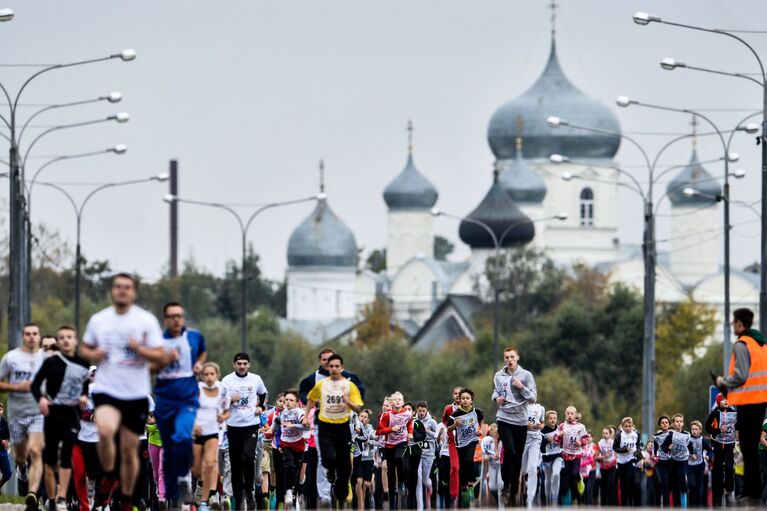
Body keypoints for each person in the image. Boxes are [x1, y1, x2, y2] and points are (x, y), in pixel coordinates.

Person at [80, 273, 167, 511]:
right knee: (106, 431)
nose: (122, 291)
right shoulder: (99, 320)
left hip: (136, 393)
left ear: (134, 292)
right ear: (112, 290)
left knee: (130, 453)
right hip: (107, 389)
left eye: (127, 287)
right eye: (118, 286)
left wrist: (140, 349)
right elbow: (85, 348)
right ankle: (108, 474)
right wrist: (93, 354)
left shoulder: (145, 320)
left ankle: (126, 499)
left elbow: (160, 355)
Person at [30, 325, 90, 511]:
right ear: (58, 341)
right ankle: (52, 498)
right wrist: (40, 399)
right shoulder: (51, 363)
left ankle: (62, 498)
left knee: (66, 453)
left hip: (71, 414)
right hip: (52, 412)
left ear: (75, 340)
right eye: (62, 337)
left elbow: (88, 387)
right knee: (50, 459)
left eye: (69, 337)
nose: (66, 340)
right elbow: (35, 385)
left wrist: (84, 396)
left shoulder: (83, 364)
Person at [153, 302, 207, 507]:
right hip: (165, 401)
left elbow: (201, 351)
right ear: (166, 319)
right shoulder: (157, 342)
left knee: (183, 437)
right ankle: (172, 499)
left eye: (179, 315)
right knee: (168, 450)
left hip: (187, 399)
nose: (176, 319)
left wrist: (199, 363)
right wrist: (164, 361)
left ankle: (184, 478)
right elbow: (148, 368)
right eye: (172, 316)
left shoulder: (194, 337)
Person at [298, 348, 365, 507]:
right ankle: (325, 495)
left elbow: (359, 401)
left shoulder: (349, 380)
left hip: (343, 424)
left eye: (334, 363)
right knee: (324, 459)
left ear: (340, 365)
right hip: (323, 423)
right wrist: (307, 415)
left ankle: (341, 488)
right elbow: (306, 395)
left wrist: (349, 401)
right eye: (326, 361)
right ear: (321, 362)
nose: (330, 365)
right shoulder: (317, 380)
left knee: (343, 462)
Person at [715, 307, 767, 503]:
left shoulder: (742, 344)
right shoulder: (761, 344)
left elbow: (741, 375)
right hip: (761, 400)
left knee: (747, 446)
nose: (732, 325)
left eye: (734, 321)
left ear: (740, 323)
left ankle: (751, 491)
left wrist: (722, 382)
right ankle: (752, 490)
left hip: (748, 400)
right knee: (751, 446)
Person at [0, 322, 45, 510]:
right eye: (28, 334)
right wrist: (17, 387)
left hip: (37, 413)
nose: (32, 337)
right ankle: (22, 470)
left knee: (35, 452)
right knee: (20, 457)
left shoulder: (46, 359)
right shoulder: (11, 358)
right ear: (23, 336)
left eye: (35, 333)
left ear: (39, 336)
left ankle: (32, 493)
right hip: (17, 413)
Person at [222, 352, 268, 511]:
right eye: (239, 363)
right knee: (235, 463)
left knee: (248, 456)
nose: (242, 366)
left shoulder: (255, 379)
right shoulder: (227, 380)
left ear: (249, 364)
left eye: (244, 363)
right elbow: (220, 401)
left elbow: (263, 393)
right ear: (234, 364)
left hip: (251, 424)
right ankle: (238, 495)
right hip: (233, 426)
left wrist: (261, 407)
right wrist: (230, 400)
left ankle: (249, 492)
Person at [491, 346, 536, 506]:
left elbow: (533, 398)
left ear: (517, 357)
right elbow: (495, 393)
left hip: (521, 421)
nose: (509, 360)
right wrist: (496, 399)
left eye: (512, 357)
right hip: (503, 418)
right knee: (508, 450)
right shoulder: (499, 375)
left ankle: (514, 489)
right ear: (504, 359)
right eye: (507, 357)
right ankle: (505, 486)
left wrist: (521, 387)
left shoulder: (526, 375)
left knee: (517, 457)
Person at [193, 362, 230, 511]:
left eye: (212, 374)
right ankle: (200, 487)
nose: (209, 377)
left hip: (213, 431)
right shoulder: (196, 390)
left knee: (210, 463)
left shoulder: (222, 389)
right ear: (202, 376)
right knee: (197, 469)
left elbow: (227, 410)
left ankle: (204, 501)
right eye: (206, 374)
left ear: (217, 375)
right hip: (196, 431)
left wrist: (223, 416)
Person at [446, 388, 483, 508]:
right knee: (461, 467)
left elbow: (480, 422)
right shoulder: (455, 414)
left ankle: (471, 485)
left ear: (472, 400)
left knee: (469, 460)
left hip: (472, 440)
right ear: (460, 400)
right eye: (463, 398)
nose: (465, 400)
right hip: (460, 443)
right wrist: (455, 425)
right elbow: (448, 429)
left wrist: (479, 431)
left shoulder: (477, 411)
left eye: (467, 398)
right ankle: (463, 489)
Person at [268, 390, 305, 506]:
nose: (287, 402)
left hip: (298, 444)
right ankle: (288, 491)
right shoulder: (283, 413)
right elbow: (276, 422)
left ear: (297, 402)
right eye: (286, 400)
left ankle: (292, 489)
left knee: (296, 469)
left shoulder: (299, 412)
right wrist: (270, 430)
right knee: (289, 464)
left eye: (290, 400)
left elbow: (304, 425)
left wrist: (293, 425)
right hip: (286, 443)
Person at [376, 391, 412, 510]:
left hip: (401, 442)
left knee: (399, 458)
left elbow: (410, 422)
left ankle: (401, 482)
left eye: (399, 399)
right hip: (389, 445)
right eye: (395, 399)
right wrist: (391, 429)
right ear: (391, 403)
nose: (397, 401)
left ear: (402, 402)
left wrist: (410, 432)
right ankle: (392, 503)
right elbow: (379, 431)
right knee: (390, 474)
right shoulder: (387, 415)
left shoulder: (407, 414)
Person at [705, 392, 737, 505]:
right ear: (718, 402)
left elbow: (738, 425)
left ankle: (729, 490)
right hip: (718, 444)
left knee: (729, 467)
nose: (726, 401)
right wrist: (718, 430)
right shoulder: (715, 413)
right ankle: (717, 493)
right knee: (717, 469)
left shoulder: (734, 413)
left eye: (727, 399)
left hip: (729, 444)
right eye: (723, 399)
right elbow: (707, 427)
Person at [553, 406, 588, 506]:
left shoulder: (581, 427)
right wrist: (559, 436)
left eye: (572, 413)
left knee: (574, 473)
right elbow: (555, 441)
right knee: (568, 478)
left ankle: (579, 479)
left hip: (577, 453)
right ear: (565, 414)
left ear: (575, 415)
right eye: (568, 413)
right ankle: (576, 496)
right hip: (566, 453)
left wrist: (580, 443)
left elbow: (586, 439)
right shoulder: (561, 426)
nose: (570, 415)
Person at [660, 413, 691, 508]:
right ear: (673, 424)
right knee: (674, 484)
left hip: (683, 460)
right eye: (677, 421)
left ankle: (684, 491)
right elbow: (663, 447)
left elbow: (690, 445)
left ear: (683, 423)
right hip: (673, 461)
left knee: (682, 475)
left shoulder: (687, 435)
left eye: (680, 422)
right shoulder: (671, 435)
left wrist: (692, 452)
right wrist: (668, 448)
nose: (679, 423)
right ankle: (677, 506)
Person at [414, 401, 439, 511]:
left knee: (425, 480)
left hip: (429, 454)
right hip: (417, 454)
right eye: (419, 411)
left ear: (427, 410)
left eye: (423, 411)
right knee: (418, 480)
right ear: (416, 411)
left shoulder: (431, 421)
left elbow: (438, 436)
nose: (421, 413)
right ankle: (420, 507)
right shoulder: (414, 421)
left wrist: (427, 431)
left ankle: (429, 485)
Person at [613, 416, 642, 507]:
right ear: (622, 426)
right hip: (621, 461)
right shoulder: (619, 435)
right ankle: (625, 504)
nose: (628, 428)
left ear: (632, 425)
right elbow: (615, 448)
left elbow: (638, 446)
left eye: (630, 426)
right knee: (623, 483)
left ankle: (632, 500)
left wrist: (637, 453)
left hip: (631, 458)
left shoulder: (636, 434)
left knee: (631, 477)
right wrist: (625, 449)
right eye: (626, 426)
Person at [520, 400, 544, 507]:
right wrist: (526, 426)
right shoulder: (521, 406)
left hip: (535, 438)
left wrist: (540, 426)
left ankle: (530, 498)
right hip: (523, 438)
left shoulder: (540, 408)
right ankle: (524, 480)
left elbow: (542, 423)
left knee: (533, 468)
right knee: (523, 470)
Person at [440, 387, 461, 506]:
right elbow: (443, 422)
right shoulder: (449, 409)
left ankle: (464, 493)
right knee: (454, 468)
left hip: (465, 442)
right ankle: (453, 494)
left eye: (460, 394)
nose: (458, 396)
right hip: (452, 441)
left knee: (463, 468)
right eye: (455, 394)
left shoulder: (468, 407)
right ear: (453, 395)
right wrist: (446, 433)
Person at [352, 409, 376, 511]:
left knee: (366, 483)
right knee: (358, 481)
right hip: (359, 459)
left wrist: (369, 442)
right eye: (361, 416)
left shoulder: (370, 429)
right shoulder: (355, 429)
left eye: (365, 417)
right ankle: (360, 505)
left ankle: (370, 493)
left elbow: (376, 441)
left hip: (369, 459)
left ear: (368, 420)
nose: (363, 418)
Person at [540, 410, 562, 506]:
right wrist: (546, 441)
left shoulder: (560, 430)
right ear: (547, 420)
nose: (553, 420)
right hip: (546, 458)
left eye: (554, 418)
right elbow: (540, 448)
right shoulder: (542, 432)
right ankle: (548, 500)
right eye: (551, 418)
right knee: (548, 480)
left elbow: (564, 443)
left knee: (556, 474)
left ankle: (555, 500)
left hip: (557, 456)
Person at [687, 420, 711, 508]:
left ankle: (697, 506)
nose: (694, 431)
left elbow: (710, 450)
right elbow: (684, 450)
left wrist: (708, 455)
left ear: (700, 430)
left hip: (700, 466)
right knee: (691, 485)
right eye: (692, 429)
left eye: (696, 429)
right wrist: (690, 454)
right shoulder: (688, 439)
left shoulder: (703, 440)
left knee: (699, 488)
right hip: (689, 466)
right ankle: (691, 504)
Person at [652, 415, 672, 507]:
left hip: (672, 462)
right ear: (660, 425)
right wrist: (654, 456)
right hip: (661, 462)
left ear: (669, 424)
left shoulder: (673, 435)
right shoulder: (656, 436)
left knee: (670, 485)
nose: (664, 424)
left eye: (666, 423)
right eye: (662, 423)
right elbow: (654, 449)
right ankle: (663, 505)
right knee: (664, 484)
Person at [480, 423, 502, 506]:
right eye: (492, 430)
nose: (494, 433)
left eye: (496, 431)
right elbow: (485, 455)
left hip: (500, 465)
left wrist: (499, 456)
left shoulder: (501, 441)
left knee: (500, 485)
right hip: (492, 466)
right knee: (492, 487)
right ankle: (498, 500)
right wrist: (488, 457)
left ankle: (501, 505)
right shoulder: (487, 441)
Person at [596, 426, 617, 506]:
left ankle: (612, 504)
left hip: (612, 465)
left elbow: (616, 455)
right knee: (603, 485)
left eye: (606, 433)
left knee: (611, 483)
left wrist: (614, 460)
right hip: (603, 466)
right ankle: (603, 504)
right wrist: (603, 457)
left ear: (610, 434)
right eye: (603, 433)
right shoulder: (600, 443)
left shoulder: (613, 442)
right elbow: (596, 457)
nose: (605, 435)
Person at [0, 403, 12, 493]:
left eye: (0, 409)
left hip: (3, 451)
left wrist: (8, 442)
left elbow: (8, 436)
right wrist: (1, 441)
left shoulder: (5, 423)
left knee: (8, 473)